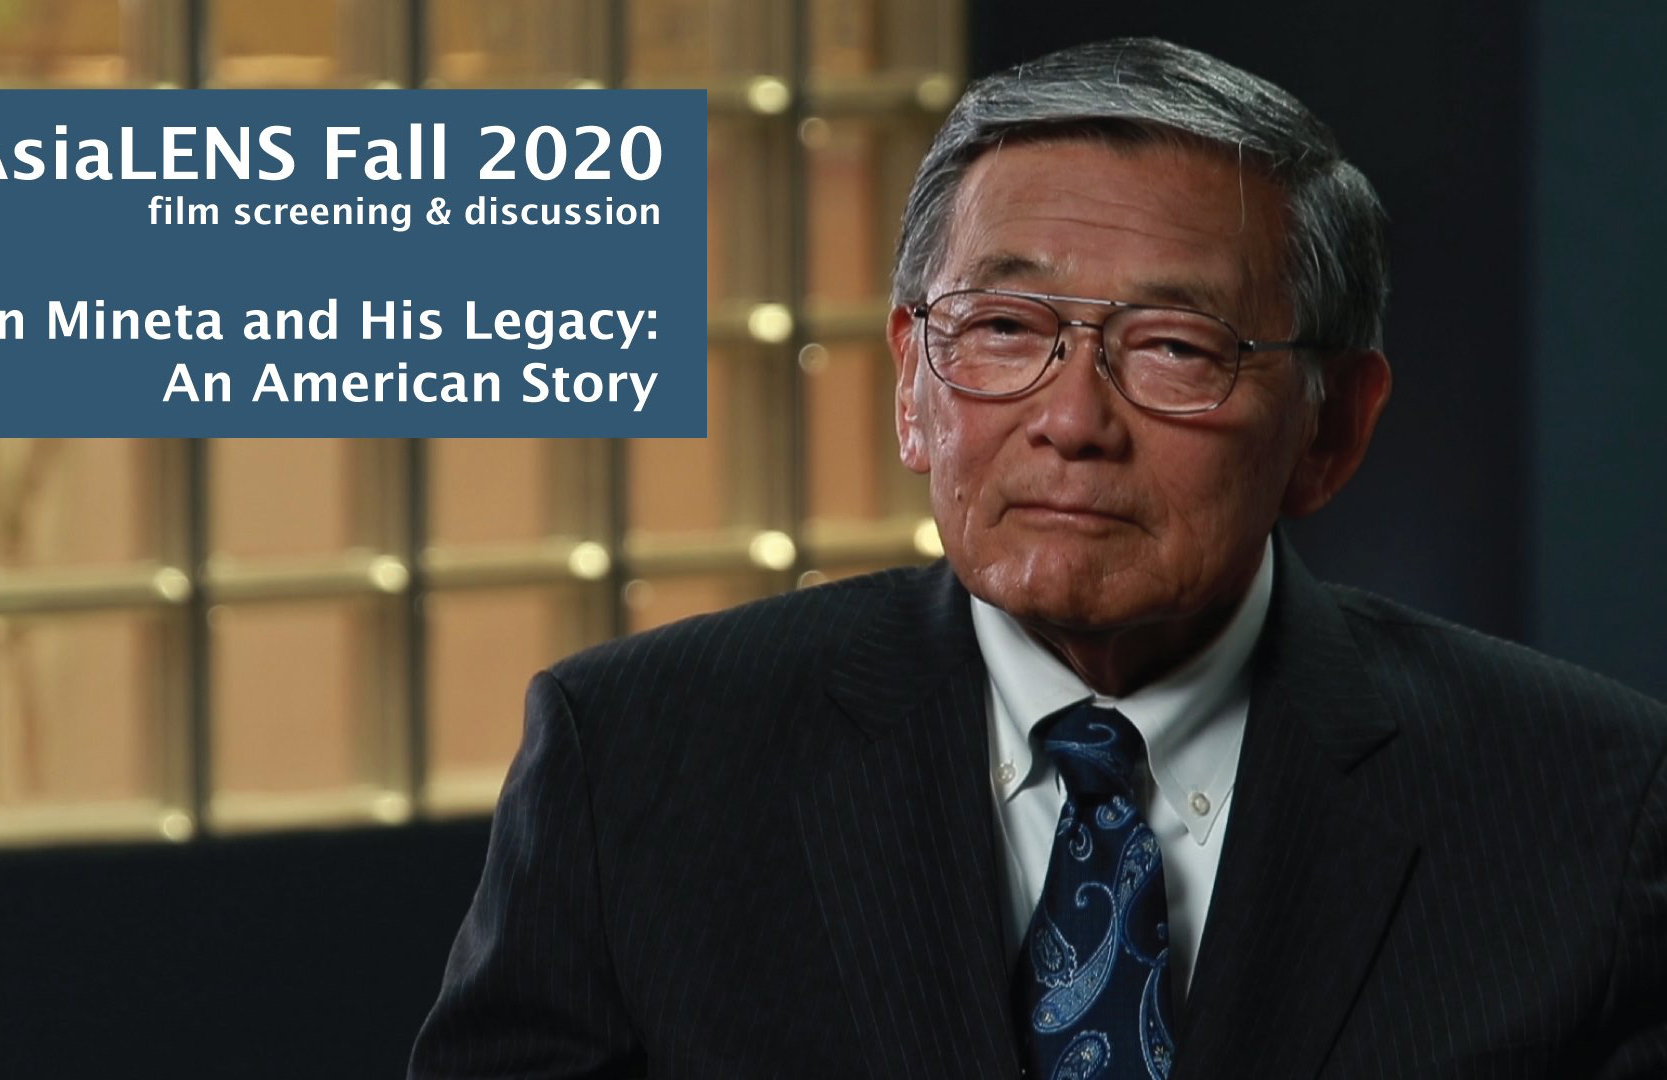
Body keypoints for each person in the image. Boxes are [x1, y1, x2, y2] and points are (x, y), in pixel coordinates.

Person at [409, 37, 1667, 1079]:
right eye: (1005, 329)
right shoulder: (635, 756)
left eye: (1177, 347)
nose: (1073, 421)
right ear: (911, 384)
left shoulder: (1590, 804)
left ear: (1330, 429)